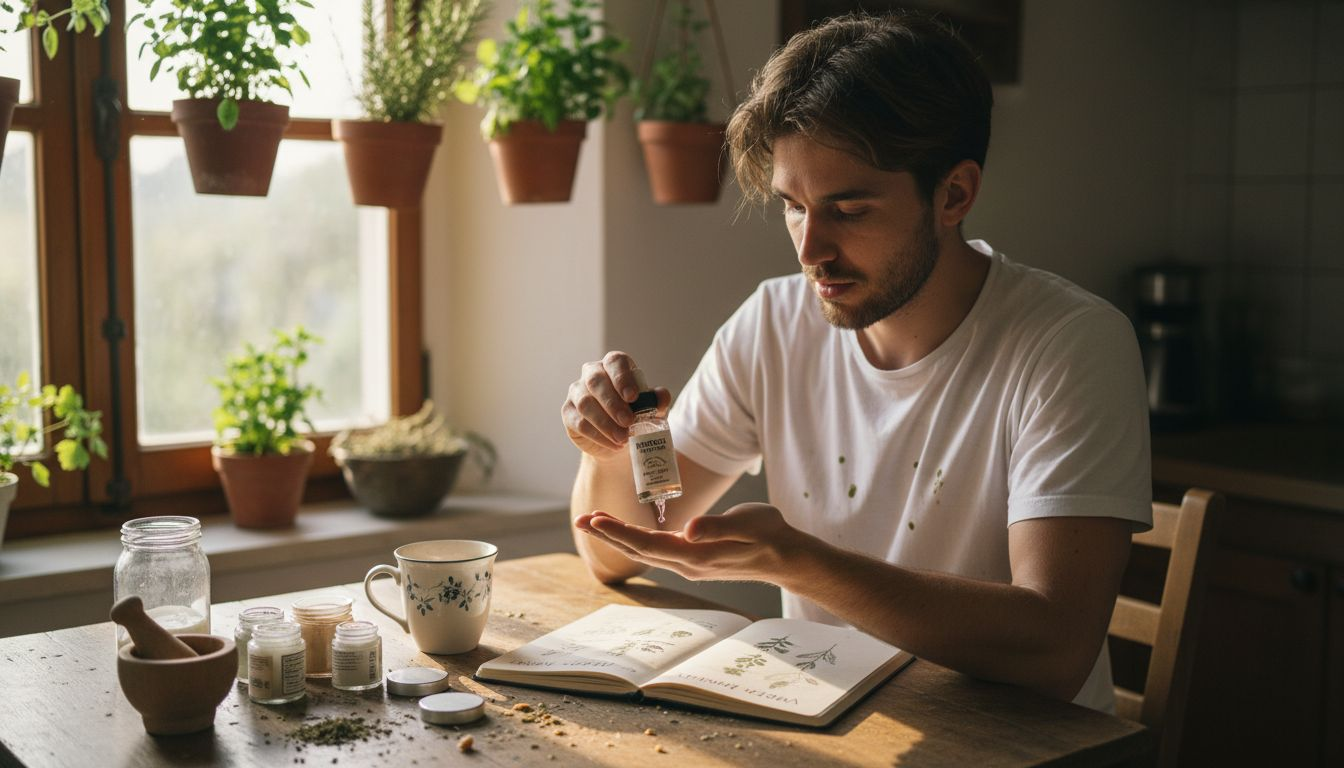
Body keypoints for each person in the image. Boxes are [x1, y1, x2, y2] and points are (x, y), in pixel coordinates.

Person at [559, 11, 1151, 713]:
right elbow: (612, 553)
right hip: (839, 729)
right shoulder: (774, 322)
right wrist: (609, 452)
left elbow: (1054, 650)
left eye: (849, 210)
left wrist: (798, 562)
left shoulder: (1071, 345)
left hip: (1019, 745)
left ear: (954, 195)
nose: (810, 251)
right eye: (793, 207)